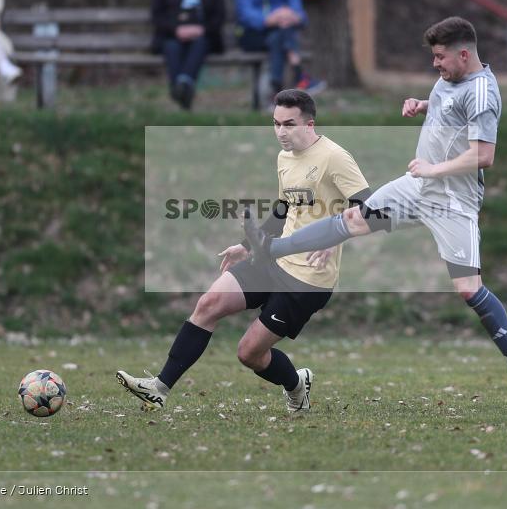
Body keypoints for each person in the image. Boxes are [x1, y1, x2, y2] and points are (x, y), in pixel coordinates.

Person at [245, 17, 507, 410]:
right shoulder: (450, 80)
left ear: (464, 54)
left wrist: (433, 168)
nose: (435, 64)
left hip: (452, 200)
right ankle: (274, 248)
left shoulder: (484, 93)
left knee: (468, 288)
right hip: (417, 187)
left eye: (440, 57)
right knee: (354, 219)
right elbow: (448, 110)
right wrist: (424, 105)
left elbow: (483, 155)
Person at [117, 89, 370, 412]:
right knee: (209, 303)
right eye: (276, 124)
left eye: (289, 124)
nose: (281, 132)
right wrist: (246, 245)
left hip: (308, 280)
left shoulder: (334, 157)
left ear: (309, 124)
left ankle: (296, 385)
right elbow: (283, 209)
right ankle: (160, 387)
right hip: (272, 259)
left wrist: (336, 238)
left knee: (249, 354)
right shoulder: (285, 158)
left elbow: (368, 205)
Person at [234, 0, 324, 100]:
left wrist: (291, 16)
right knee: (282, 31)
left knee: (279, 35)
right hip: (253, 36)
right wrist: (272, 18)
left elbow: (300, 15)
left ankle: (275, 88)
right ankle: (299, 76)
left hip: (279, 35)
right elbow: (246, 15)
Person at [151, 0, 225, 110]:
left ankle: (181, 85)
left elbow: (219, 15)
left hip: (204, 36)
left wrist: (202, 29)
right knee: (172, 47)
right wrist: (177, 29)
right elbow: (157, 15)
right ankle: (185, 88)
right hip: (171, 35)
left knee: (200, 44)